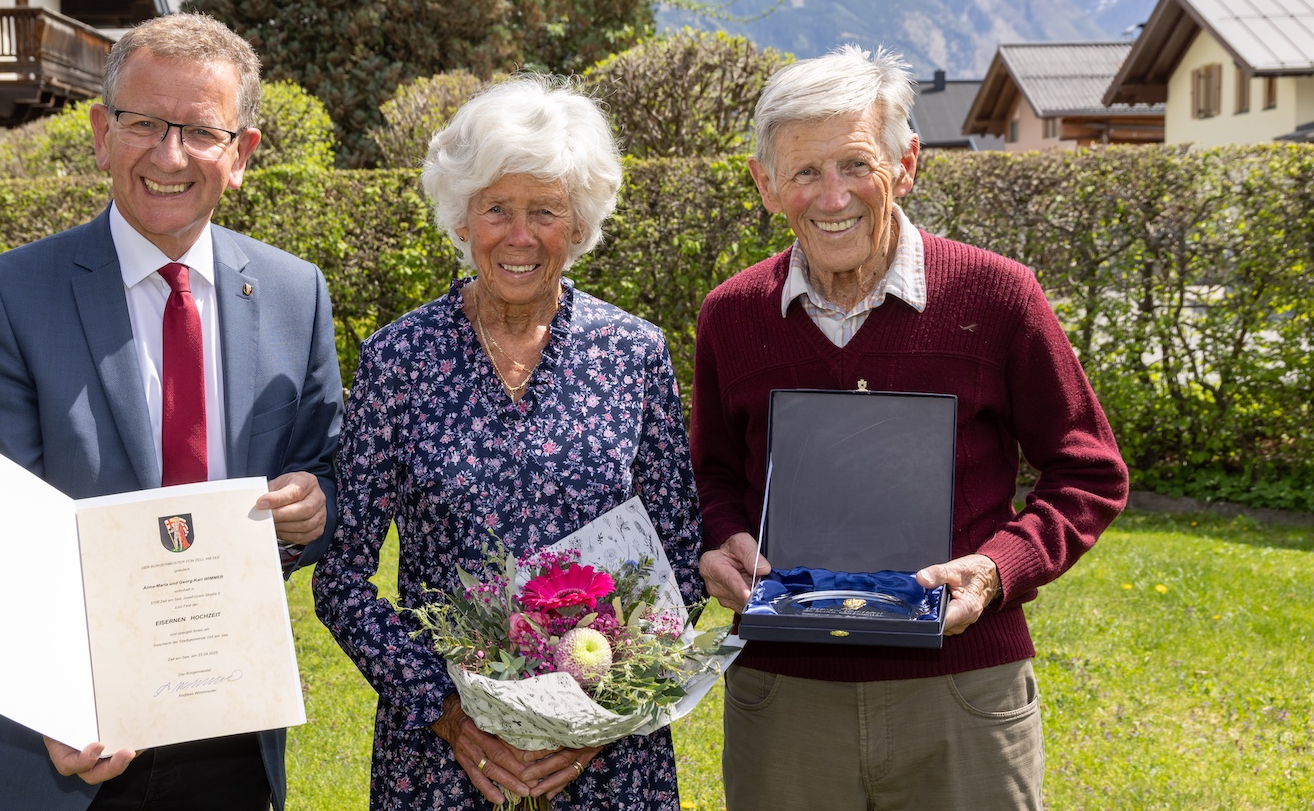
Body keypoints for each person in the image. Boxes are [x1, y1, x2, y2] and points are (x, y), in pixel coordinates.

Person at [692, 45, 1129, 811]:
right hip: (784, 695)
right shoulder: (731, 316)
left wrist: (998, 569)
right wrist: (724, 537)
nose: (833, 197)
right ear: (765, 184)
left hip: (961, 686)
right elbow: (714, 473)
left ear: (906, 163)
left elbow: (1088, 471)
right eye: (802, 172)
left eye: (855, 163)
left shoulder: (997, 296)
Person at [0, 13, 343, 811]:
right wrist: (59, 704)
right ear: (100, 133)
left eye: (200, 131)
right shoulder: (10, 296)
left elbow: (321, 466)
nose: (169, 156)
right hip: (68, 746)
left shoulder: (296, 294)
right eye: (143, 124)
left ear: (241, 155)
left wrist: (314, 504)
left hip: (232, 736)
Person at [311, 76, 704, 810]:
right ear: (461, 217)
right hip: (444, 760)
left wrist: (599, 714)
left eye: (545, 211)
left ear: (579, 222)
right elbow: (340, 578)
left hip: (607, 760)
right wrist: (451, 716)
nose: (519, 236)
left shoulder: (633, 353)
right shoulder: (399, 360)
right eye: (497, 208)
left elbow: (680, 558)